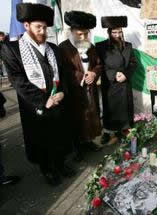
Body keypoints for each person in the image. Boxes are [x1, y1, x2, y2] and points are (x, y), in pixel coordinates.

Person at [1, 3, 74, 186]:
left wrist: (63, 92)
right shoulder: (12, 49)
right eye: (38, 27)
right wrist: (43, 100)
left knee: (59, 136)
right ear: (26, 26)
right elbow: (17, 80)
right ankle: (47, 170)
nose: (42, 31)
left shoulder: (53, 48)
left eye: (44, 27)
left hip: (57, 101)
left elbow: (63, 74)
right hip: (35, 106)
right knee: (41, 140)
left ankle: (60, 164)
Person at [59, 11, 102, 161]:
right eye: (79, 34)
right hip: (74, 91)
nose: (83, 37)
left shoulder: (91, 47)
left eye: (85, 34)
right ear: (71, 32)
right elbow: (63, 70)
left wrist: (94, 74)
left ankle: (89, 142)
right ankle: (77, 148)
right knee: (77, 118)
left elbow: (98, 64)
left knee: (90, 116)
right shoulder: (63, 48)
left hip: (90, 89)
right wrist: (81, 77)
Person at [95, 16, 137, 144]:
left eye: (120, 32)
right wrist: (113, 74)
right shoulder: (101, 46)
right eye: (114, 32)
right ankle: (108, 132)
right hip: (110, 84)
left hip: (124, 84)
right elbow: (99, 65)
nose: (117, 35)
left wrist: (125, 74)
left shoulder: (128, 46)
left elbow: (133, 64)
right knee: (110, 110)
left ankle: (124, 130)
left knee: (125, 109)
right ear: (109, 32)